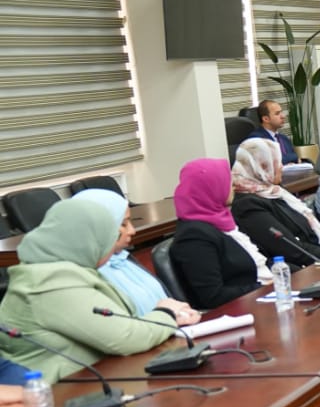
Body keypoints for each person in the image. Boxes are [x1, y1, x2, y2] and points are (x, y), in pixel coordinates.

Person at [0, 201, 183, 383]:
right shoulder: (49, 281)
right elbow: (126, 337)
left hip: (94, 379)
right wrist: (167, 314)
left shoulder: (69, 269)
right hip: (57, 392)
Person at [67, 189, 198, 322]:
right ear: (98, 227)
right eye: (123, 224)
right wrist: (167, 316)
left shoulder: (123, 259)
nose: (132, 231)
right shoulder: (81, 278)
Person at [171, 158, 273, 309]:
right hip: (244, 310)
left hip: (265, 298)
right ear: (211, 188)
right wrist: (263, 288)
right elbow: (213, 296)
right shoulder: (193, 237)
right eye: (228, 183)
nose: (234, 187)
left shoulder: (224, 221)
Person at [231, 138, 320, 267]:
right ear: (261, 166)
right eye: (276, 162)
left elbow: (313, 228)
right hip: (301, 269)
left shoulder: (275, 191)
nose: (281, 167)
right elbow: (293, 250)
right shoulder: (247, 205)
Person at [244, 99, 306, 165]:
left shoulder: (284, 139)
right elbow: (272, 162)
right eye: (277, 113)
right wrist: (293, 157)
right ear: (266, 119)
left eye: (281, 112)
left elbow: (295, 159)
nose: (283, 116)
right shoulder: (256, 139)